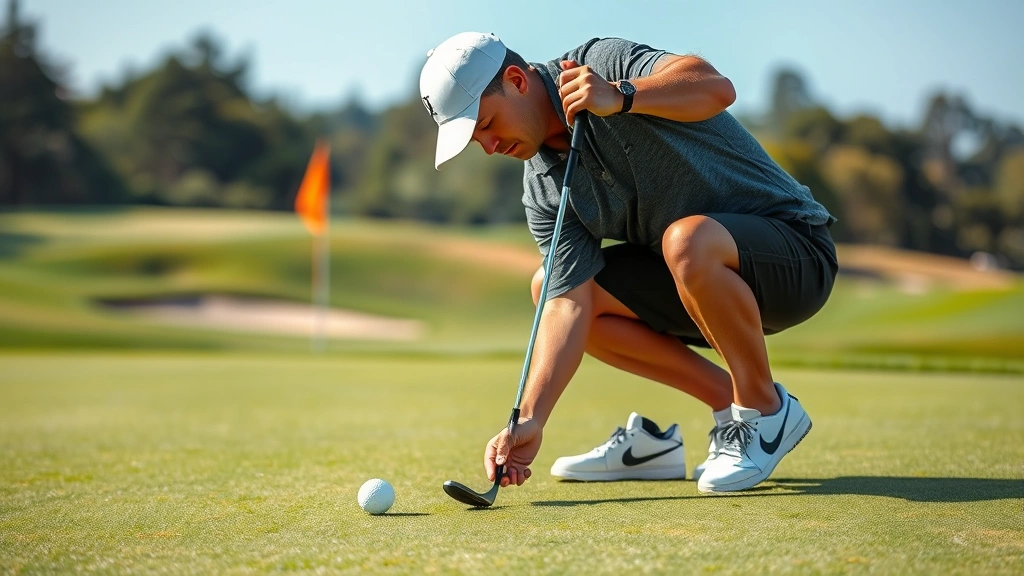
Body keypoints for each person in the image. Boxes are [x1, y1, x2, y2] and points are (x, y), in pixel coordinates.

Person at [419, 32, 837, 493]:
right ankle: (728, 407)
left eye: (486, 124)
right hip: (699, 288)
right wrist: (533, 419)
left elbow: (717, 87)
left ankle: (765, 412)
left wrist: (620, 96)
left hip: (795, 255)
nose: (488, 145)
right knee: (551, 288)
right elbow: (570, 306)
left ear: (517, 81)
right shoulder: (542, 189)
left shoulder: (602, 63)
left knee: (686, 240)